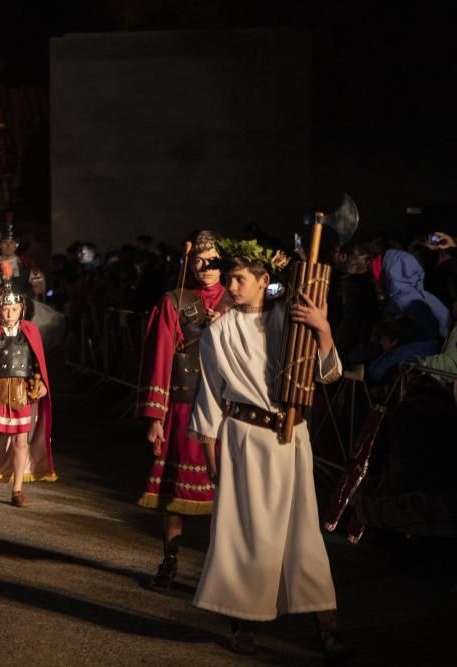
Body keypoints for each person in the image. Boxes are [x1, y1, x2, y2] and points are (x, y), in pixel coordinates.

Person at [189, 239, 345, 657]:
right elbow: (209, 397)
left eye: (240, 279)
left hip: (291, 438)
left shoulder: (289, 322)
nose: (232, 286)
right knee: (245, 532)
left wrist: (322, 328)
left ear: (264, 281)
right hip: (244, 439)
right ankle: (244, 622)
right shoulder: (218, 331)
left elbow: (327, 375)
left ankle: (326, 623)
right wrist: (211, 458)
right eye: (230, 279)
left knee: (303, 529)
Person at [135, 230, 231, 591]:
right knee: (176, 496)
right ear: (190, 263)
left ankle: (221, 570)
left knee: (228, 495)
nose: (206, 268)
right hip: (183, 407)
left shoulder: (237, 301)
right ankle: (170, 562)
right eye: (199, 261)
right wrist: (155, 418)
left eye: (213, 260)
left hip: (227, 411)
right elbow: (159, 359)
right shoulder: (173, 301)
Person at [0, 263, 54, 506]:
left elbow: (37, 363)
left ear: (21, 309)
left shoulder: (30, 331)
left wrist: (41, 384)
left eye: (14, 309)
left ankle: (17, 489)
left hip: (22, 393)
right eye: (6, 309)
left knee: (20, 441)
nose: (10, 313)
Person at [0, 223, 45, 326]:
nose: (9, 246)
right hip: (1, 317)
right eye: (5, 243)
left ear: (16, 244)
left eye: (12, 243)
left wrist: (25, 296)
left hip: (24, 316)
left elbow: (39, 287)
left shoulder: (25, 266)